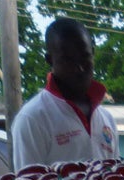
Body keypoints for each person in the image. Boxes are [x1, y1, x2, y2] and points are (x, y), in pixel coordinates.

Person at [11, 17, 118, 169]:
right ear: (50, 60)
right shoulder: (32, 119)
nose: (79, 68)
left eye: (85, 57)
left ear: (93, 54)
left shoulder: (107, 119)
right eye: (68, 60)